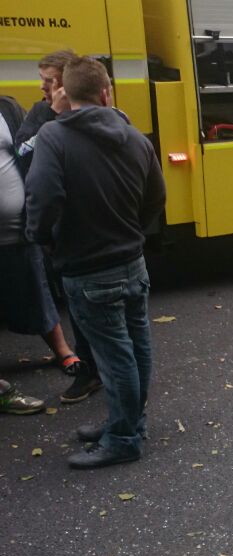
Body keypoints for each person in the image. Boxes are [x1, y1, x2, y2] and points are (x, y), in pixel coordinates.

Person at [26, 56, 166, 469]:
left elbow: (43, 199)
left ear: (65, 95)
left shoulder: (54, 137)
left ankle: (123, 439)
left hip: (87, 268)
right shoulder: (134, 136)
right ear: (106, 93)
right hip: (132, 261)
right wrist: (132, 232)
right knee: (137, 348)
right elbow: (156, 197)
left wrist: (45, 241)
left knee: (114, 357)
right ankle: (128, 422)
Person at [15, 49, 104, 404]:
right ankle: (91, 368)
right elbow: (23, 157)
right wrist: (52, 114)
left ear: (68, 83)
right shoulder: (40, 113)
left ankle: (115, 379)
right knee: (78, 304)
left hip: (97, 227)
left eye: (49, 81)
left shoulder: (96, 115)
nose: (42, 87)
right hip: (64, 234)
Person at [1, 89, 95, 401]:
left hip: (18, 227)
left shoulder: (7, 108)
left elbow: (25, 150)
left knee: (35, 288)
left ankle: (63, 351)